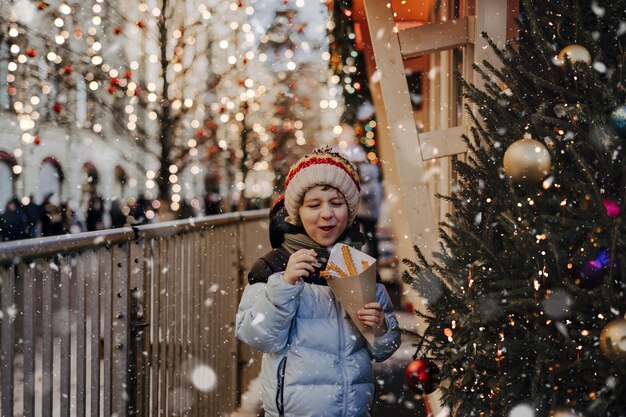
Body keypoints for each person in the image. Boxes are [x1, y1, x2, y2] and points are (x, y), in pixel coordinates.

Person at [236, 147, 400, 417]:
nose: (327, 214)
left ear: (350, 210)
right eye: (314, 205)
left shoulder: (358, 266)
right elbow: (258, 337)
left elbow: (384, 350)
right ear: (296, 212)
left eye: (336, 203)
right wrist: (285, 285)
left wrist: (381, 328)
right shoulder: (274, 267)